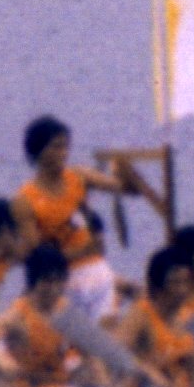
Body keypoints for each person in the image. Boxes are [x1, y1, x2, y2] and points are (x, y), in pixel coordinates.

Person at [12, 116, 152, 313]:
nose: (63, 153)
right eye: (56, 147)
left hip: (95, 271)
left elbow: (132, 190)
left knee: (108, 326)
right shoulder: (24, 200)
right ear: (39, 151)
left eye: (65, 147)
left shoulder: (79, 176)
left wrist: (124, 170)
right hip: (60, 280)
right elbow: (37, 258)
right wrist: (81, 252)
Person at [0, 243, 92, 387]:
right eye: (47, 282)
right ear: (33, 284)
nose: (54, 289)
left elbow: (90, 363)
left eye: (58, 282)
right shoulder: (16, 316)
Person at [116, 242, 194, 387]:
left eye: (186, 282)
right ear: (157, 287)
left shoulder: (193, 321)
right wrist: (148, 372)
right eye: (175, 283)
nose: (183, 290)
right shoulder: (141, 314)